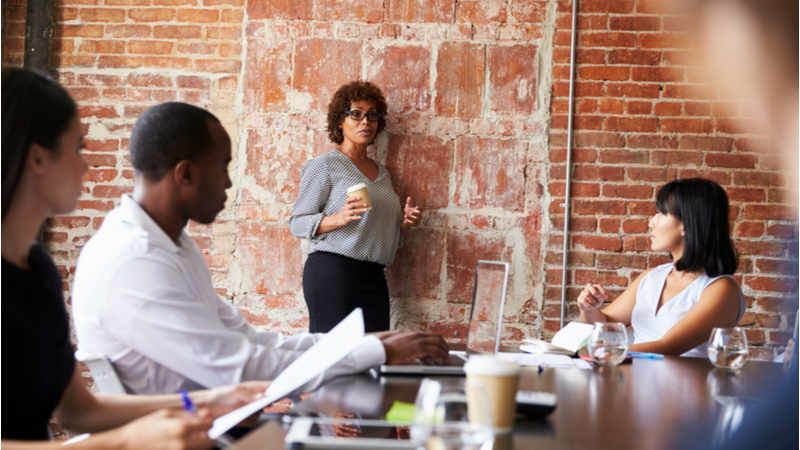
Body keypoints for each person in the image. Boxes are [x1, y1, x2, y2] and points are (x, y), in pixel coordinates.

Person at [71, 101, 448, 397]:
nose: (229, 182)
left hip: (212, 418)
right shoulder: (134, 261)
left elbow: (253, 341)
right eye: (222, 167)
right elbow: (242, 368)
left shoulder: (174, 247)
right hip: (184, 433)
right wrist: (375, 352)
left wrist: (366, 341)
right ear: (185, 173)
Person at [1, 67, 269, 449]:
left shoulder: (37, 270)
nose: (86, 165)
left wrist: (207, 400)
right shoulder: (126, 259)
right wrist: (124, 442)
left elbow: (77, 411)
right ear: (37, 158)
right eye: (78, 147)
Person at [289, 81, 422, 333]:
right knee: (334, 361)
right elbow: (297, 223)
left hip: (374, 278)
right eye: (356, 114)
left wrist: (401, 224)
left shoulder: (383, 173)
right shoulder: (324, 165)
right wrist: (338, 218)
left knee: (371, 359)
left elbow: (373, 231)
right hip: (334, 273)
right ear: (340, 121)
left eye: (372, 115)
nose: (365, 122)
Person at [578, 178, 746, 357]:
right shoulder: (651, 277)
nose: (650, 223)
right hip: (636, 377)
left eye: (660, 214)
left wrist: (595, 351)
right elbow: (604, 325)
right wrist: (588, 308)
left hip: (686, 384)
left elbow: (669, 347)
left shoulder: (720, 289)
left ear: (687, 225)